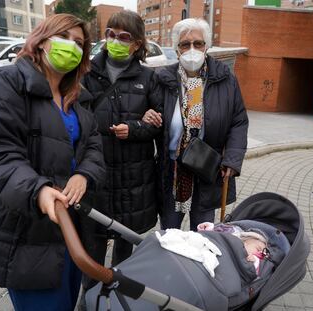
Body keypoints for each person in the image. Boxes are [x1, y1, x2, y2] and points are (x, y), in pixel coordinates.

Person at [0, 14, 105, 311]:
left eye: (79, 43)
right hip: (28, 230)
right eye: (63, 37)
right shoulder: (8, 82)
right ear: (41, 41)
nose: (71, 47)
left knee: (68, 300)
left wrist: (85, 175)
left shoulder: (78, 96)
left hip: (72, 227)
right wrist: (37, 190)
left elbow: (93, 145)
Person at [80, 10, 162, 292]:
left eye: (123, 37)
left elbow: (158, 123)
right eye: (110, 34)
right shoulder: (87, 72)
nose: (114, 40)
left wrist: (137, 127)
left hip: (132, 180)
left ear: (137, 43)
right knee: (92, 250)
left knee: (125, 254)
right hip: (97, 175)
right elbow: (77, 115)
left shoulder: (149, 78)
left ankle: (117, 298)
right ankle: (89, 299)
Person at [144, 18, 248, 230]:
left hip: (207, 171)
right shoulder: (162, 78)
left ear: (206, 46)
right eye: (185, 44)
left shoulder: (225, 78)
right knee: (170, 236)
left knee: (203, 238)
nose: (192, 49)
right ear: (177, 49)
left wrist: (233, 159)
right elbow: (150, 114)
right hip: (171, 171)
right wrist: (147, 116)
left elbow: (238, 121)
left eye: (198, 43)